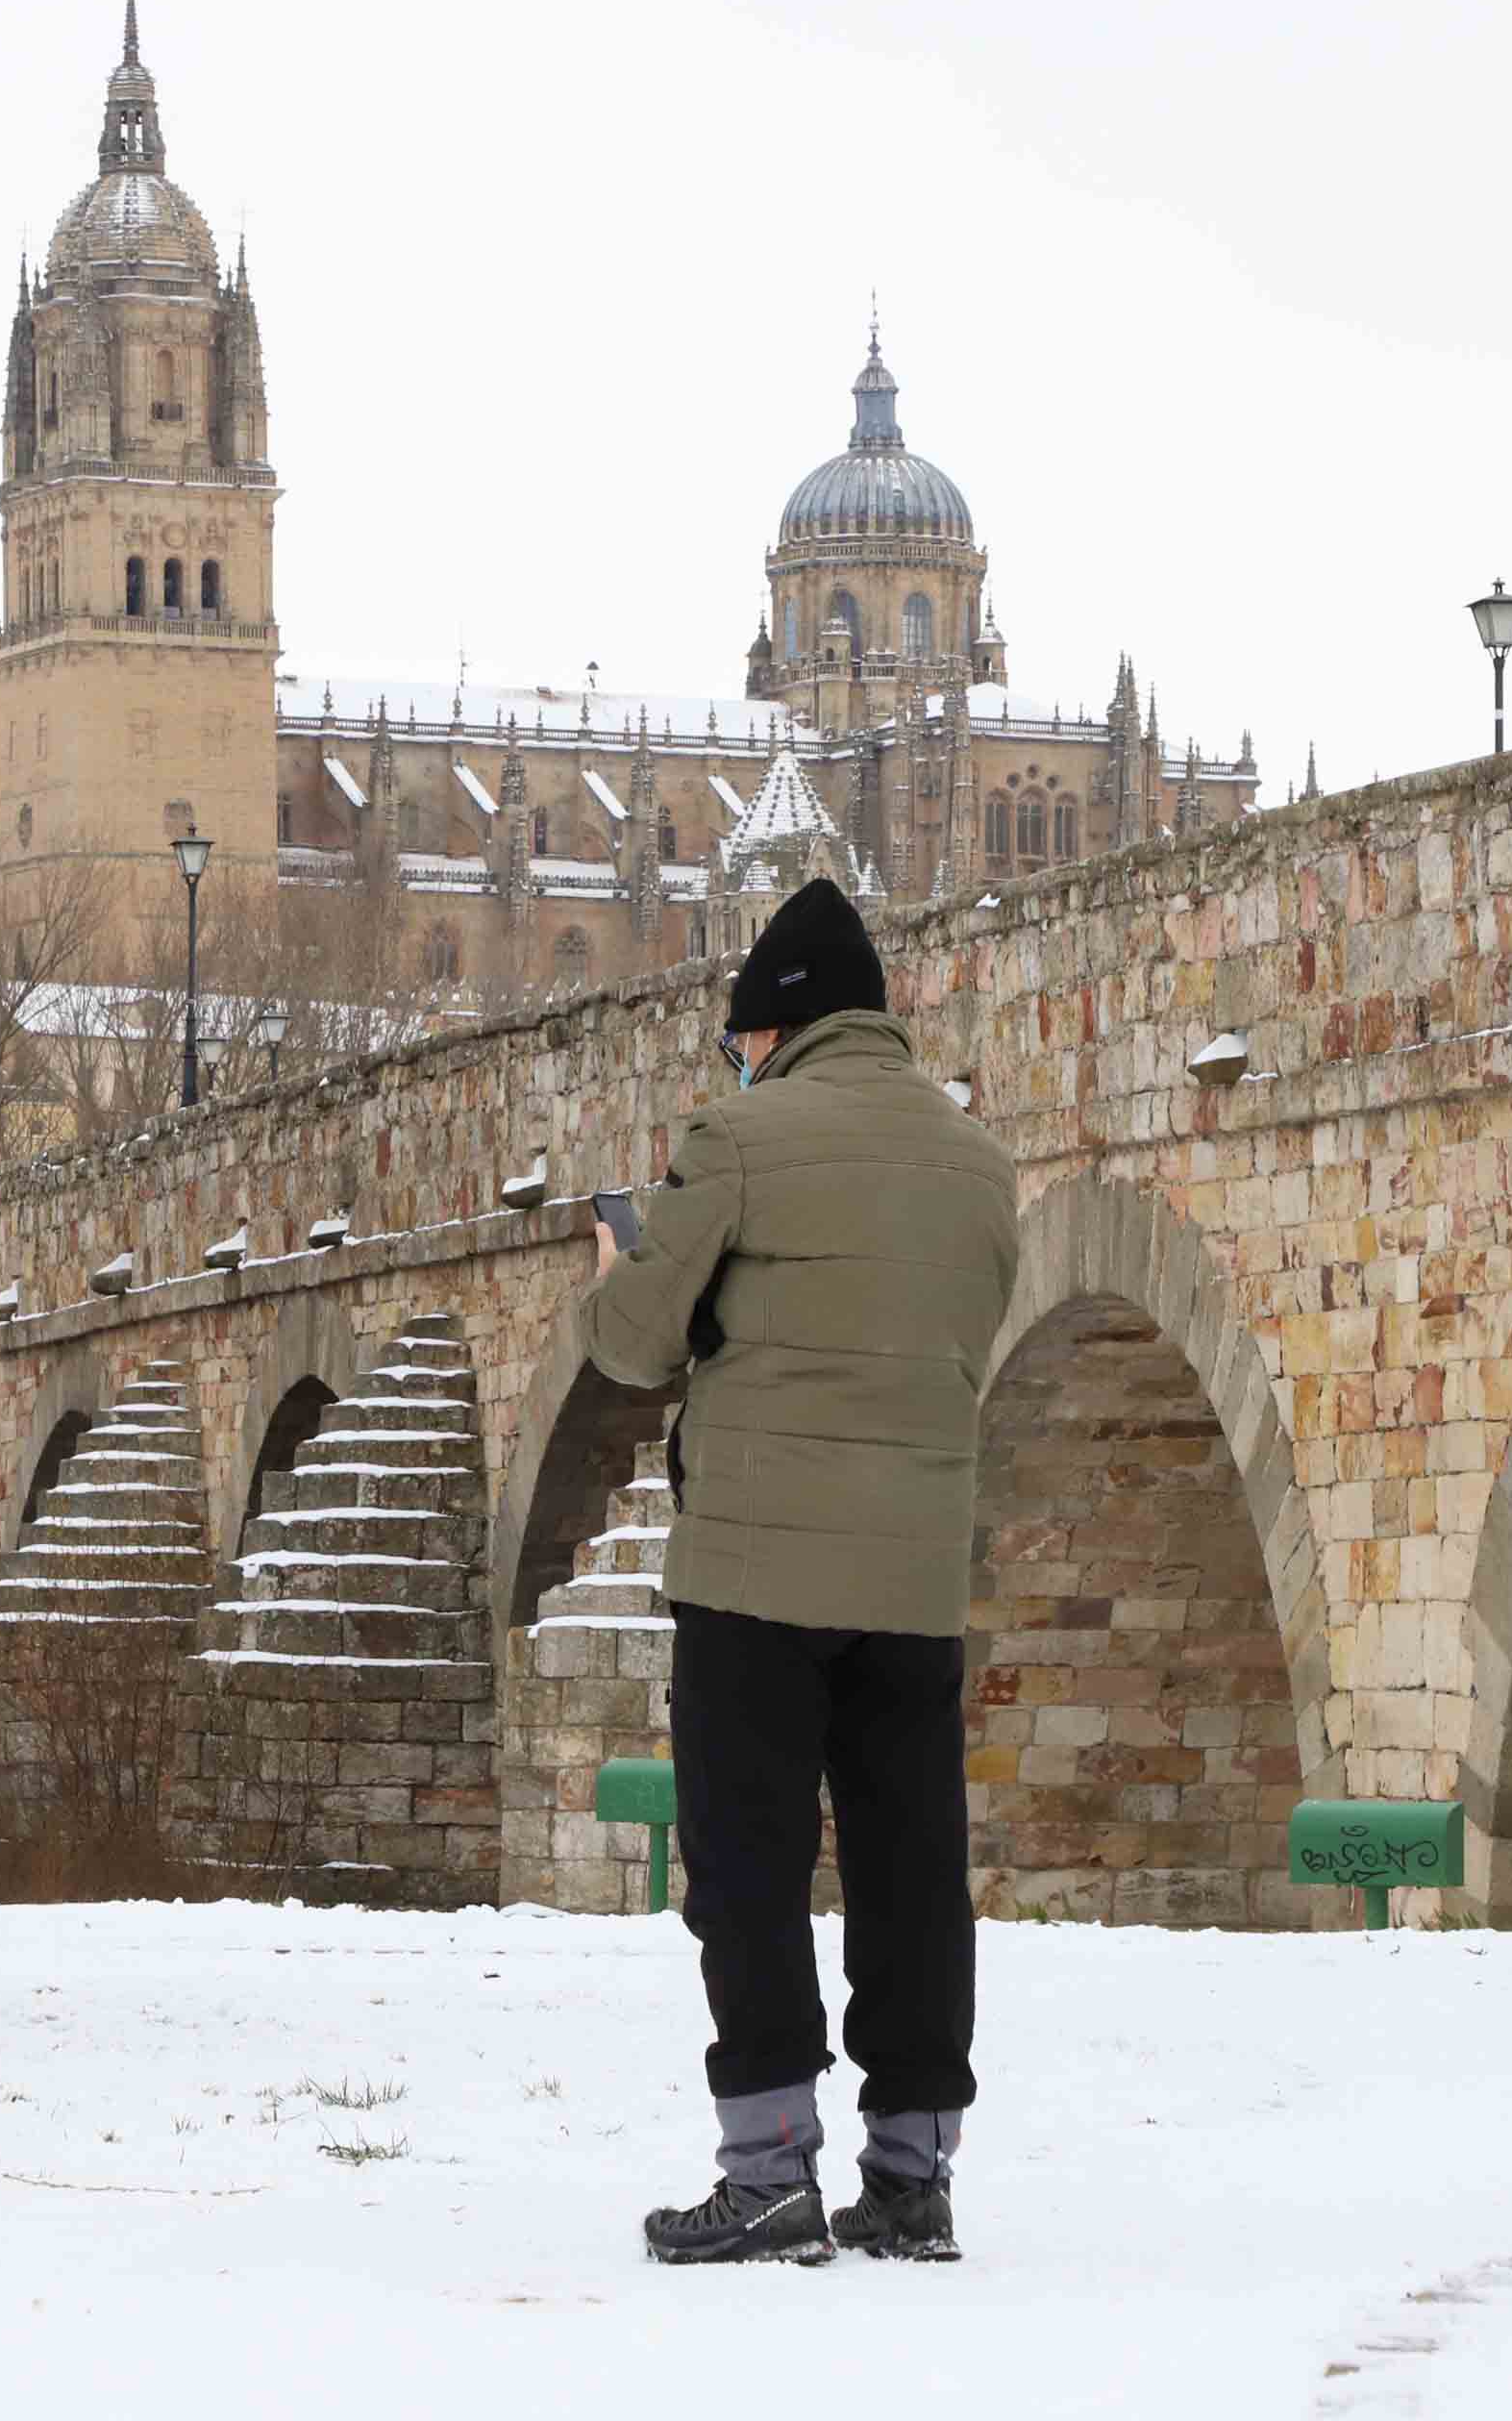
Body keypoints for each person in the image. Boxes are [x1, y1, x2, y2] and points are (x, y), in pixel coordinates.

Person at [574, 878, 1019, 2266]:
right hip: (913, 1575)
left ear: (773, 1030)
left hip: (757, 1574)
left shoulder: (740, 1139)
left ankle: (768, 2169)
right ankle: (912, 2177)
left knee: (751, 1870)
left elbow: (634, 1347)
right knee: (909, 1871)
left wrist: (619, 1266)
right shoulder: (979, 1162)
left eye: (738, 1043)